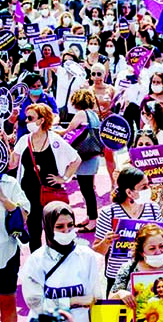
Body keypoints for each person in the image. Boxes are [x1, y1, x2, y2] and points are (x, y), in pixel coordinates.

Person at [9, 104, 81, 252]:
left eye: (30, 118)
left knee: (54, 229)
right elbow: (12, 164)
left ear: (41, 120)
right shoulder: (24, 140)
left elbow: (76, 159)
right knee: (34, 231)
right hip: (28, 193)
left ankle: (57, 260)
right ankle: (37, 262)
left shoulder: (55, 140)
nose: (26, 121)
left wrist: (64, 178)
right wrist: (6, 143)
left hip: (50, 192)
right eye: (26, 117)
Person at [20, 202, 100, 322]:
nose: (66, 230)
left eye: (70, 225)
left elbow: (95, 298)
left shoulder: (86, 256)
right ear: (48, 226)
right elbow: (36, 303)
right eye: (59, 226)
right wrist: (73, 300)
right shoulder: (36, 260)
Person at [93, 166, 163, 297]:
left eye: (148, 185)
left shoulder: (153, 209)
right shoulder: (108, 213)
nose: (148, 190)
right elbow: (97, 250)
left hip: (148, 273)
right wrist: (106, 242)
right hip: (118, 277)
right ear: (129, 192)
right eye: (143, 187)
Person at [109, 224, 163, 311]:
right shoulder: (128, 268)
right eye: (152, 248)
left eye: (161, 246)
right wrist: (121, 293)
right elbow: (110, 300)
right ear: (141, 252)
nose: (158, 252)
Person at [57, 89, 101, 233]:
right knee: (88, 189)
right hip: (92, 155)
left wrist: (53, 130)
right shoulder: (94, 115)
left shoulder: (81, 114)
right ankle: (90, 217)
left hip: (84, 157)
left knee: (86, 190)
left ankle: (93, 221)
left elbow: (67, 131)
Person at [0, 171, 30, 322]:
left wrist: (4, 199)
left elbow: (24, 216)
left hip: (7, 253)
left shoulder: (9, 183)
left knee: (7, 303)